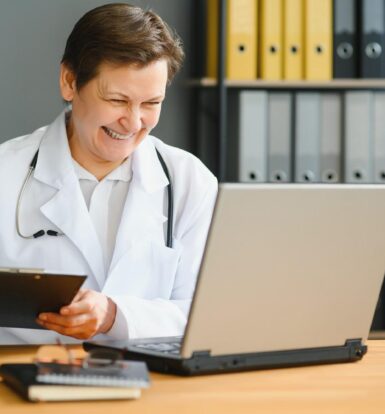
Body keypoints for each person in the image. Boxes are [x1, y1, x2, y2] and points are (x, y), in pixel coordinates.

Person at [0, 3, 217, 344]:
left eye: (150, 103)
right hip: (22, 379)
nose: (133, 123)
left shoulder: (190, 181)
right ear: (70, 82)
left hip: (153, 384)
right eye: (117, 100)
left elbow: (208, 312)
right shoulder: (5, 173)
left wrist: (115, 315)